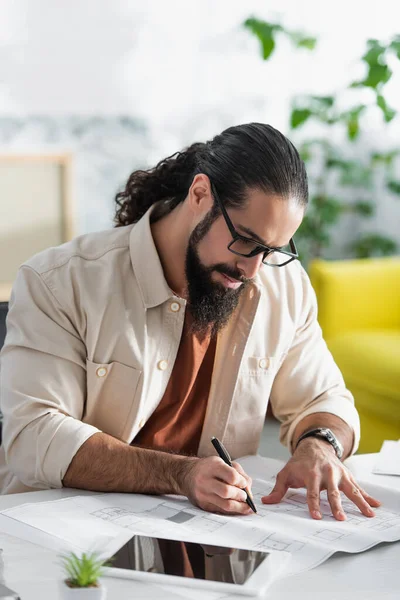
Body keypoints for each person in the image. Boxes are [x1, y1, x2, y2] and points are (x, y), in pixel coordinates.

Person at [0, 122, 380, 521]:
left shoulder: (283, 286)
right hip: (62, 531)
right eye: (246, 241)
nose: (253, 269)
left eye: (271, 250)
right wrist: (179, 474)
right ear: (200, 194)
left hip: (208, 537)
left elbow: (326, 400)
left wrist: (319, 444)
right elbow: (33, 436)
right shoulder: (62, 281)